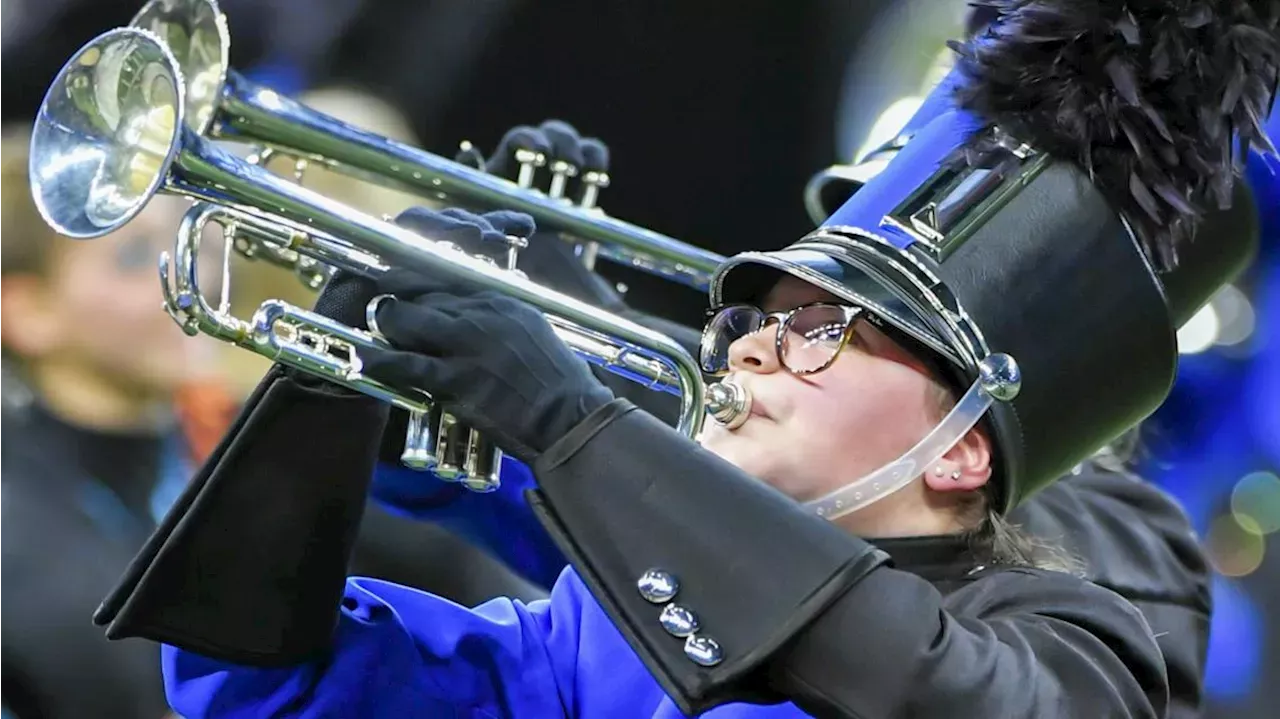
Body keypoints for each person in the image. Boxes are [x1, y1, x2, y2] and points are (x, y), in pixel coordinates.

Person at [80, 1, 1278, 717]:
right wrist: (339, 376)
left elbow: (918, 678)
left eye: (829, 328)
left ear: (963, 445)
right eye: (760, 312)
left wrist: (569, 420)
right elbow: (259, 678)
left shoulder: (1071, 625)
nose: (756, 339)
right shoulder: (584, 636)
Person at [0, 125, 214, 718]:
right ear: (29, 314)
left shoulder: (213, 447)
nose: (185, 279)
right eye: (133, 257)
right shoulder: (18, 544)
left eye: (181, 240)